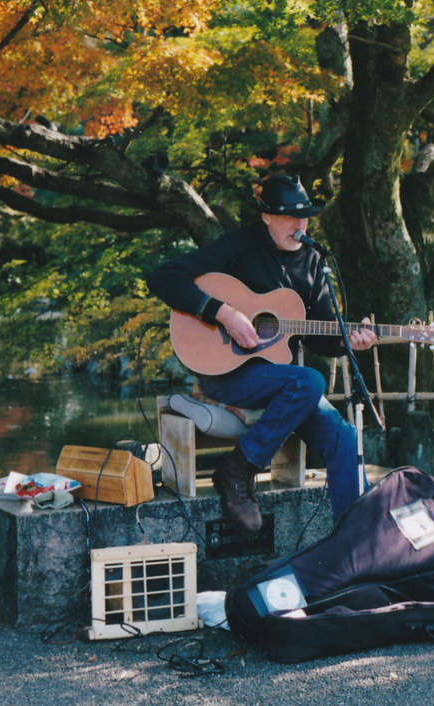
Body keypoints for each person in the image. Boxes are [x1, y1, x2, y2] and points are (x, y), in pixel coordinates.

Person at [147, 175, 376, 534]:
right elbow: (164, 276)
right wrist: (223, 313)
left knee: (345, 438)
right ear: (267, 216)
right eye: (289, 216)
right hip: (229, 376)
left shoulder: (314, 260)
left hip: (282, 383)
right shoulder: (240, 245)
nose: (300, 225)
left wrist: (352, 342)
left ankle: (354, 542)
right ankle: (238, 470)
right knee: (310, 382)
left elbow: (320, 334)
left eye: (305, 216)